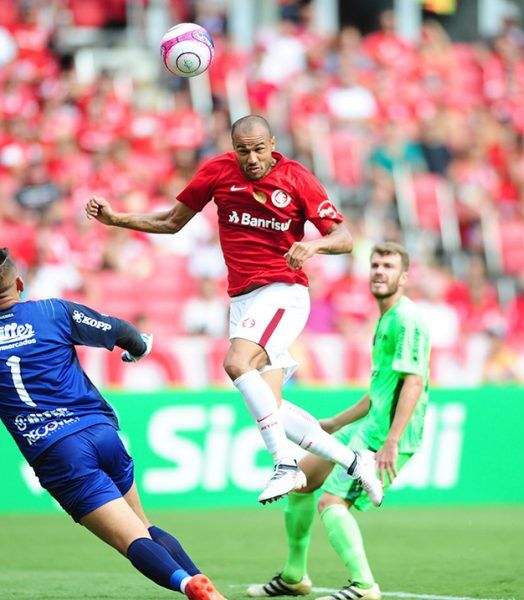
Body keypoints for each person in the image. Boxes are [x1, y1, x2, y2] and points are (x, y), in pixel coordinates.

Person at [85, 114, 383, 506]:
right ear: (233, 148)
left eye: (259, 149)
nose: (252, 158)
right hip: (242, 298)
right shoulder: (218, 172)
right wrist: (116, 219)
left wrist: (313, 246)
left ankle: (284, 463)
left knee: (236, 364)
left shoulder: (296, 179)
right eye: (243, 150)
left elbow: (343, 237)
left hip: (284, 290)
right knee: (271, 407)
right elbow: (174, 222)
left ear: (273, 144)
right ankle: (353, 460)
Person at [0, 248, 223, 600]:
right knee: (144, 526)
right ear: (19, 283)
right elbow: (124, 332)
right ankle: (209, 590)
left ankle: (187, 585)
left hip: (57, 451)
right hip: (100, 432)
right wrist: (139, 349)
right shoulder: (52, 311)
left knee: (129, 539)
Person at [246, 242, 431, 600]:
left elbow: (414, 381)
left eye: (388, 266)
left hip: (386, 437)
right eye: (375, 264)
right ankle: (294, 576)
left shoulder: (407, 320)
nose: (379, 271)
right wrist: (333, 423)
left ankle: (364, 586)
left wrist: (392, 440)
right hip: (367, 427)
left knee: (332, 503)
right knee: (300, 482)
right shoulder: (387, 318)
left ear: (404, 277)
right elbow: (380, 392)